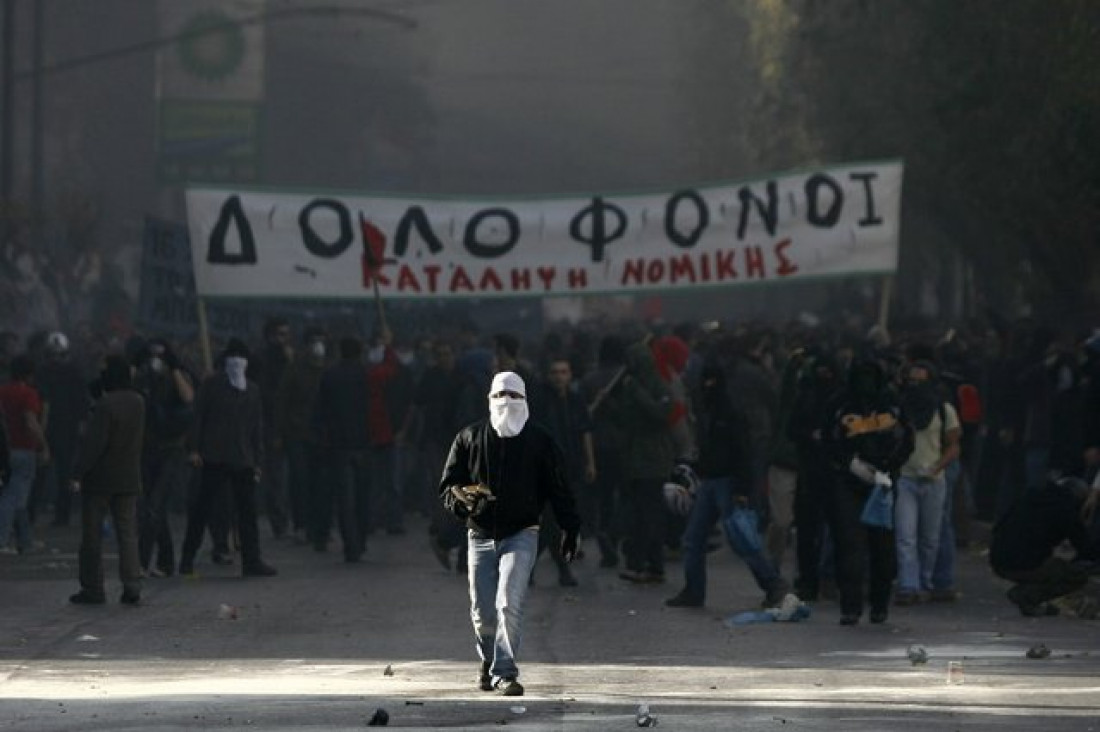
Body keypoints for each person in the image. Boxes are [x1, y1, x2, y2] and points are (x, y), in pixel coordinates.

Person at [439, 371, 581, 698]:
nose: (507, 402)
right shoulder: (469, 438)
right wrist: (463, 501)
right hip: (479, 535)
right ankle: (488, 661)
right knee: (482, 610)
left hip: (522, 533)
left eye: (514, 396)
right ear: (489, 399)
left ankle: (505, 672)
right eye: (500, 395)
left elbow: (559, 488)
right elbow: (448, 487)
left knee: (508, 602)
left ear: (525, 399)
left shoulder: (540, 441)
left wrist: (570, 526)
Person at [666, 362, 790, 609]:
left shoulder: (730, 414)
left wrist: (743, 489)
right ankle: (694, 591)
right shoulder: (709, 412)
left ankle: (773, 584)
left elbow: (742, 452)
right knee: (694, 539)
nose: (706, 386)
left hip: (728, 483)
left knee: (740, 538)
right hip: (711, 482)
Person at [823, 357, 914, 625]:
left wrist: (888, 468)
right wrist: (849, 463)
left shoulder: (892, 404)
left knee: (882, 548)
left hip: (883, 483)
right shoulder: (840, 404)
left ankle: (878, 605)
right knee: (850, 545)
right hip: (848, 481)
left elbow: (907, 439)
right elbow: (828, 439)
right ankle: (851, 606)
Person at [179, 339, 276, 577]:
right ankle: (187, 559)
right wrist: (194, 449)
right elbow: (198, 418)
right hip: (215, 457)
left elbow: (256, 428)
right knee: (203, 510)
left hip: (241, 459)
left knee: (246, 513)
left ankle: (251, 560)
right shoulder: (212, 385)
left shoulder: (251, 390)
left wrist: (257, 461)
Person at [69, 356, 146, 605]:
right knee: (127, 534)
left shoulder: (104, 405)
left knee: (92, 536)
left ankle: (93, 587)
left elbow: (94, 445)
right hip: (129, 476)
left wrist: (78, 473)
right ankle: (132, 585)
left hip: (100, 479)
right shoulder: (138, 402)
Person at [603, 340, 674, 583]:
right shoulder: (630, 387)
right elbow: (625, 419)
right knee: (641, 516)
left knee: (649, 516)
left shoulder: (658, 386)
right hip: (634, 460)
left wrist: (637, 393)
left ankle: (648, 563)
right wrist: (610, 403)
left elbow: (661, 414)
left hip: (654, 461)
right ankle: (650, 564)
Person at [894, 360, 961, 605]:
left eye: (922, 382)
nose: (916, 387)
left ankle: (924, 581)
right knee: (905, 535)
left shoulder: (944, 410)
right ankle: (908, 585)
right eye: (912, 381)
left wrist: (938, 466)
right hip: (905, 478)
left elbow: (953, 445)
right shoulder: (900, 409)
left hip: (934, 480)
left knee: (930, 538)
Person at [990, 477, 1098, 616]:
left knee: (1052, 564)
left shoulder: (1030, 497)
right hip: (1025, 563)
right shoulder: (1066, 509)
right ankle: (1028, 595)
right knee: (1076, 575)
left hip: (997, 559)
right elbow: (1085, 547)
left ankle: (1031, 596)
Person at [133, 338, 195, 578]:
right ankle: (166, 560)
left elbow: (188, 397)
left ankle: (141, 561)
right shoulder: (141, 379)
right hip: (146, 448)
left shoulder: (177, 377)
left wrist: (175, 368)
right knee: (151, 508)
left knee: (155, 506)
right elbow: (123, 392)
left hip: (172, 449)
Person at [532, 357, 596, 587]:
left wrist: (590, 462)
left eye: (563, 372)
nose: (559, 376)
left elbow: (585, 431)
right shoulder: (540, 402)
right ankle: (563, 571)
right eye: (555, 372)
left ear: (570, 375)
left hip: (572, 467)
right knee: (551, 520)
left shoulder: (576, 401)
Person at [313, 336, 371, 561]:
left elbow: (320, 410)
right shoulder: (366, 376)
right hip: (363, 442)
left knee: (345, 499)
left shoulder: (330, 376)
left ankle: (352, 545)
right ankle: (361, 539)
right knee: (363, 497)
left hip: (338, 444)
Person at [36, 332, 90, 527]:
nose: (56, 359)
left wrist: (82, 423)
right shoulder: (43, 372)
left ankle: (62, 514)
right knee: (39, 472)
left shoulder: (74, 372)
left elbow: (82, 399)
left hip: (66, 428)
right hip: (48, 426)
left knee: (64, 474)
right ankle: (31, 513)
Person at [0, 355, 49, 555]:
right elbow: (30, 421)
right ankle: (2, 539)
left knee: (18, 497)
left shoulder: (2, 392)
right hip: (24, 449)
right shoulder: (28, 394)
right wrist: (43, 445)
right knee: (13, 497)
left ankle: (24, 540)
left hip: (4, 448)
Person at [256, 318, 293, 539]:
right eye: (280, 334)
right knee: (277, 477)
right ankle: (279, 520)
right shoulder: (263, 360)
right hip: (272, 426)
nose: (284, 339)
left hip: (293, 427)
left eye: (286, 334)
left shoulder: (291, 359)